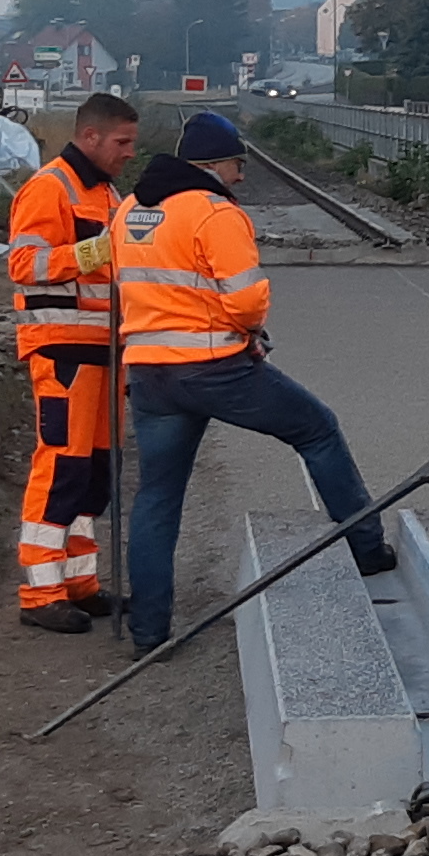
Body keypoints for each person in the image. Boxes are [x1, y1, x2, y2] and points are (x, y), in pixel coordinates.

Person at [115, 111, 394, 650]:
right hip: (216, 368)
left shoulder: (129, 210)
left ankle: (148, 631)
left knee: (157, 497)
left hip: (149, 374)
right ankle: (367, 547)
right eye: (237, 166)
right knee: (317, 430)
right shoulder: (214, 212)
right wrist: (250, 330)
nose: (241, 176)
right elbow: (244, 300)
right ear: (214, 165)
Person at [4, 89, 137, 630]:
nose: (130, 152)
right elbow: (22, 263)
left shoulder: (105, 193)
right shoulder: (50, 187)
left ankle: (80, 582)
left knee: (94, 475)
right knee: (61, 466)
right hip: (63, 351)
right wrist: (92, 253)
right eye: (122, 142)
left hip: (105, 353)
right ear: (91, 137)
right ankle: (40, 594)